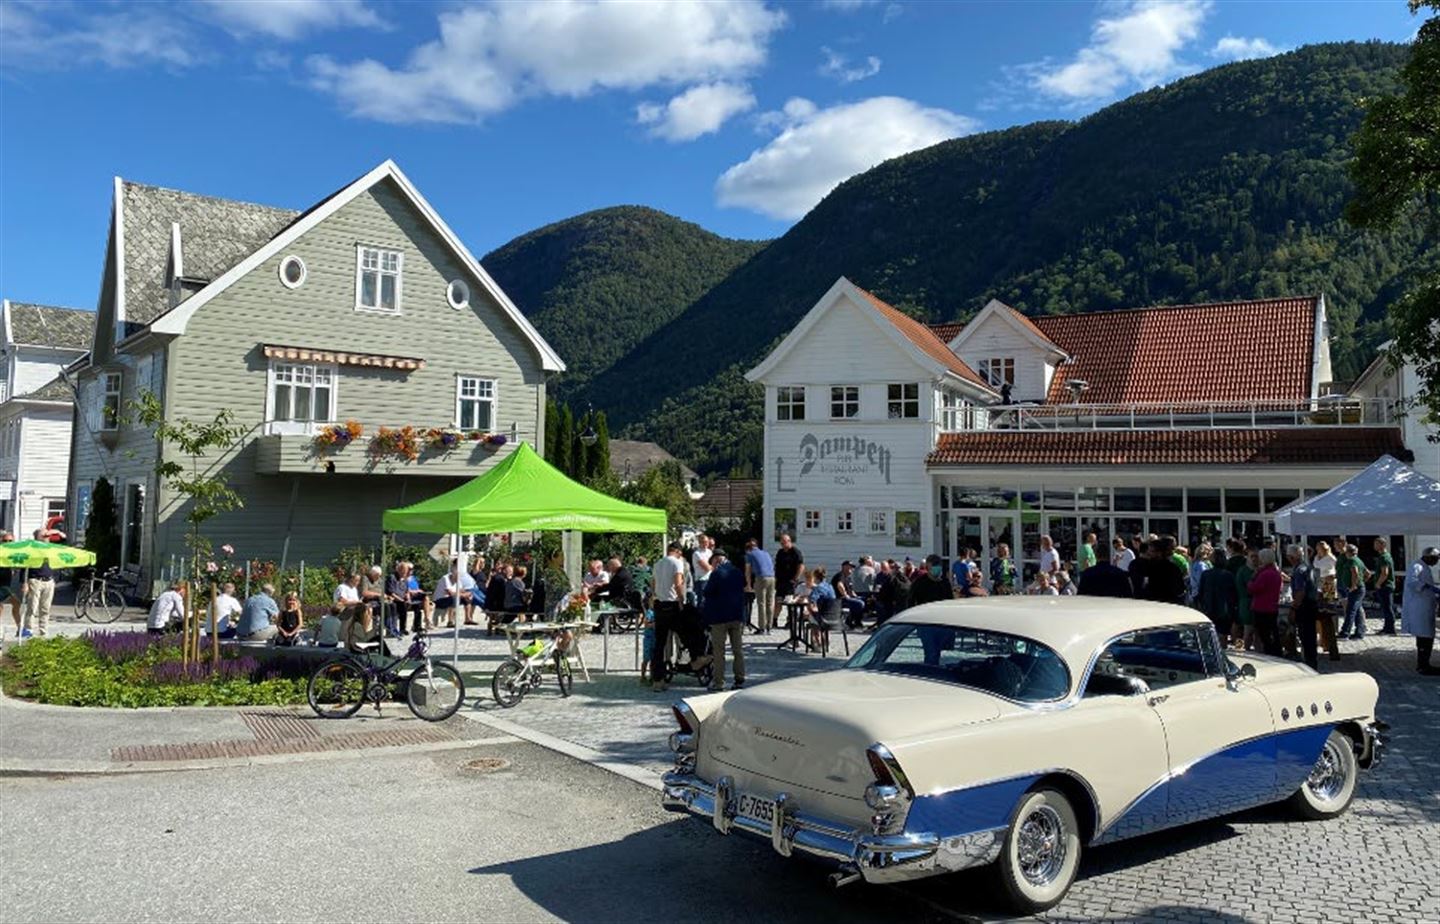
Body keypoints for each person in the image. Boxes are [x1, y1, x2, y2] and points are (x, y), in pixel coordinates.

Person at [702, 549, 746, 691]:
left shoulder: (716, 573)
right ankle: (739, 678)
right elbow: (743, 586)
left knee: (719, 651)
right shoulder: (738, 572)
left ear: (717, 560)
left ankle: (719, 682)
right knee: (737, 650)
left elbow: (707, 591)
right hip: (736, 615)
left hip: (719, 617)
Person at [650, 543, 689, 692]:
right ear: (678, 552)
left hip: (659, 605)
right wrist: (681, 600)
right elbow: (678, 583)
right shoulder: (677, 562)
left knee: (659, 643)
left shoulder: (658, 563)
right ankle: (695, 660)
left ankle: (657, 679)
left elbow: (653, 583)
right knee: (685, 635)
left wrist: (654, 596)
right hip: (672, 604)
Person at [1401, 547, 1440, 675]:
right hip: (1419, 608)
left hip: (1426, 606)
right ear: (1429, 557)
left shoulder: (1424, 566)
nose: (1436, 562)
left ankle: (1424, 664)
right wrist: (1427, 587)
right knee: (1424, 636)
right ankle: (1423, 666)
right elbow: (1412, 582)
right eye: (1435, 559)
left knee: (1427, 636)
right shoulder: (1417, 565)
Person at [1287, 544, 1322, 669]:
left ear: (1291, 557)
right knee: (1310, 636)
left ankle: (1309, 664)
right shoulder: (1308, 568)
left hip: (1304, 606)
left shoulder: (1299, 571)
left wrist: (1294, 608)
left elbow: (1300, 592)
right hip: (1311, 605)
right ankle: (1311, 661)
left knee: (1305, 636)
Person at [20, 531, 55, 638]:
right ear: (37, 537)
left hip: (49, 581)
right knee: (32, 607)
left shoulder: (50, 549)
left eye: (47, 535)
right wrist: (24, 583)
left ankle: (43, 630)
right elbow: (24, 567)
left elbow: (63, 543)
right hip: (35, 580)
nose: (47, 537)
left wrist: (59, 533)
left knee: (46, 608)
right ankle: (28, 629)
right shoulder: (32, 550)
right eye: (44, 535)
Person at [1248, 549, 1283, 655]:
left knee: (1264, 634)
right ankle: (1275, 651)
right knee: (1272, 632)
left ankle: (1270, 653)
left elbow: (1254, 588)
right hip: (1272, 606)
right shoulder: (1276, 573)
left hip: (1262, 607)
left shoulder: (1264, 574)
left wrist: (1251, 581)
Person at [1338, 543, 1371, 640]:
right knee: (1356, 611)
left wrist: (1354, 585)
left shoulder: (1352, 561)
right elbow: (1368, 573)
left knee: (1350, 611)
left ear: (1348, 552)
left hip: (1356, 590)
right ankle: (1359, 632)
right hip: (1359, 588)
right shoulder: (1359, 560)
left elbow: (1355, 573)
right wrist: (1362, 581)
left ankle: (1345, 632)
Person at [434, 559, 478, 627]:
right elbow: (450, 593)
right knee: (454, 598)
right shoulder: (445, 579)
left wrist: (467, 594)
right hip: (440, 599)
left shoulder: (458, 580)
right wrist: (463, 595)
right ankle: (450, 621)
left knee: (467, 598)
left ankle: (468, 618)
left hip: (450, 598)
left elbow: (462, 590)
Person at [744, 540, 775, 634]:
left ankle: (762, 628)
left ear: (748, 549)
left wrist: (748, 585)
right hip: (772, 577)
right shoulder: (766, 553)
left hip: (761, 578)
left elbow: (748, 571)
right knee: (770, 603)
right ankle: (769, 626)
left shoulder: (750, 554)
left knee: (761, 603)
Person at [773, 534, 804, 628]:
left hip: (790, 581)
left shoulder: (795, 552)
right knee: (778, 601)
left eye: (784, 542)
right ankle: (774, 620)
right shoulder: (780, 552)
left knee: (790, 602)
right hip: (780, 581)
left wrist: (796, 578)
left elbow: (801, 566)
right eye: (781, 543)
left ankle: (790, 621)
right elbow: (777, 565)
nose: (782, 544)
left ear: (789, 541)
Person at [805, 566, 837, 649]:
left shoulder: (817, 588)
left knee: (812, 617)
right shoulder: (831, 587)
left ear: (815, 577)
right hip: (834, 616)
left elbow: (811, 602)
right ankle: (826, 641)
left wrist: (809, 610)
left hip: (823, 618)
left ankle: (818, 644)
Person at [1372, 537, 1396, 635]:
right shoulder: (1385, 556)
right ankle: (1387, 627)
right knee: (1386, 607)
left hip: (1385, 586)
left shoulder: (1384, 557)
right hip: (1386, 586)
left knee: (1387, 607)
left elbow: (1385, 573)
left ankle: (1390, 629)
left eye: (1376, 544)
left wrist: (1378, 583)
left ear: (1382, 545)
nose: (1374, 546)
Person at [1234, 551, 1258, 651]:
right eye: (1252, 556)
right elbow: (1243, 589)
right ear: (1247, 558)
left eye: (1256, 556)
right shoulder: (1243, 571)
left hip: (1256, 603)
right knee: (1247, 630)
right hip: (1246, 603)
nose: (1254, 559)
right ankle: (1244, 650)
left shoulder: (1258, 570)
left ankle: (1257, 651)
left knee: (1257, 631)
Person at [832, 560, 866, 626]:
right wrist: (845, 595)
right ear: (844, 567)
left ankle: (851, 620)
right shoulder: (840, 575)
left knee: (864, 600)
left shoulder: (848, 578)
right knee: (859, 604)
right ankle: (855, 622)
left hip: (848, 597)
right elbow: (840, 585)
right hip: (840, 599)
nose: (851, 569)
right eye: (849, 567)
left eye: (852, 568)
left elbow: (851, 590)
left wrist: (856, 596)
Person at [691, 535, 714, 606]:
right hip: (702, 580)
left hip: (710, 579)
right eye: (703, 542)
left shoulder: (710, 552)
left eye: (707, 542)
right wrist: (713, 566)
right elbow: (706, 567)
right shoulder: (697, 554)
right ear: (699, 542)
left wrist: (712, 566)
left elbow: (714, 565)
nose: (705, 544)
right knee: (702, 601)